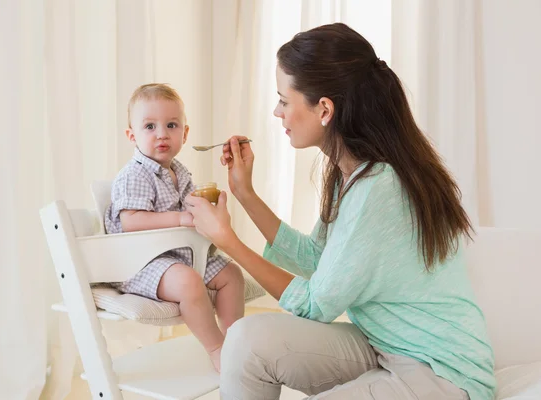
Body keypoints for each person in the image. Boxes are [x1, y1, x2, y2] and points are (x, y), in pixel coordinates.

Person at [184, 23, 496, 399]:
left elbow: (316, 305)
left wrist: (229, 242)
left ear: (324, 109)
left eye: (284, 100)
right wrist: (245, 193)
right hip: (383, 344)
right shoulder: (351, 174)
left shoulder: (378, 188)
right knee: (246, 339)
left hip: (440, 373)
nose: (276, 111)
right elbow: (319, 259)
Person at [104, 83, 245, 372]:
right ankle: (217, 349)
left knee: (232, 275)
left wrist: (208, 212)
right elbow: (132, 222)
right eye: (149, 126)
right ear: (132, 136)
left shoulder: (179, 172)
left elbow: (192, 212)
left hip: (177, 256)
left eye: (171, 125)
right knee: (189, 282)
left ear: (185, 133)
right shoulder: (135, 174)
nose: (162, 134)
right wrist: (181, 219)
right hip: (139, 263)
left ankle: (235, 343)